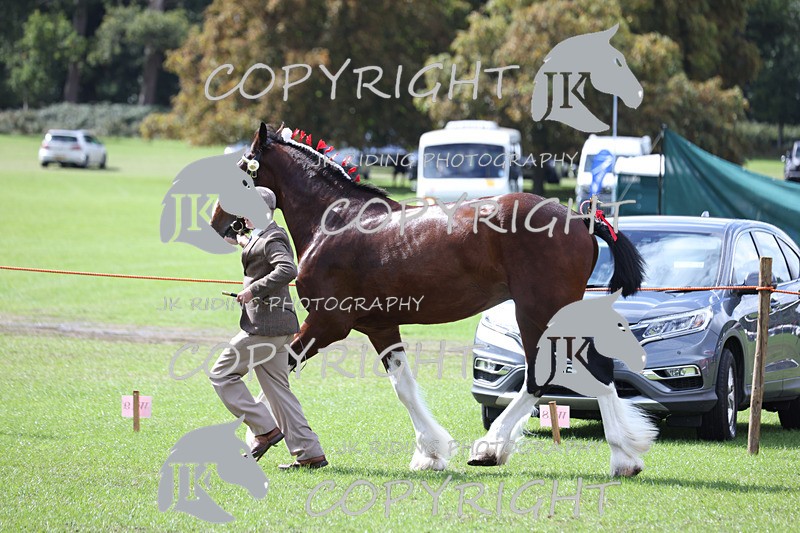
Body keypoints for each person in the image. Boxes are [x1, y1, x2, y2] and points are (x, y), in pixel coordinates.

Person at [209, 186, 327, 469]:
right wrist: (240, 240)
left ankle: (265, 429)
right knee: (278, 391)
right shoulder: (262, 234)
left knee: (222, 374)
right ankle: (310, 453)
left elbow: (287, 269)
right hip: (278, 326)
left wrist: (253, 291)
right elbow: (257, 249)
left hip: (264, 327)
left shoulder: (274, 236)